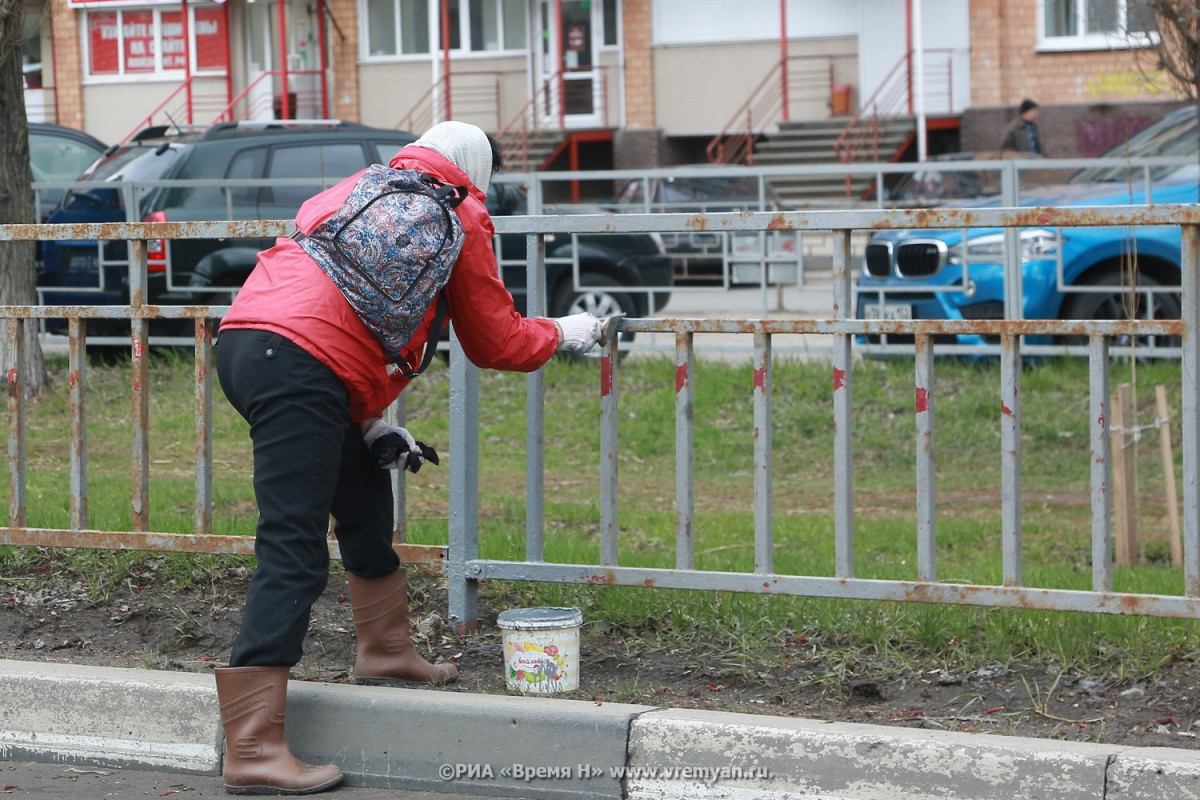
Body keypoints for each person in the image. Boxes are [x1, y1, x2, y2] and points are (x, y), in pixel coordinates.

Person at [211, 120, 602, 795]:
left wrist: (362, 421)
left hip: (251, 344)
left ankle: (385, 652)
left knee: (363, 493)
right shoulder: (463, 211)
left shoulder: (354, 187)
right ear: (479, 171)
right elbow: (495, 341)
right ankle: (252, 745)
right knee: (293, 546)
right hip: (302, 367)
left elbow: (336, 298)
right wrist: (567, 331)